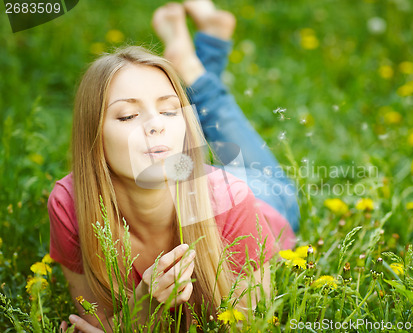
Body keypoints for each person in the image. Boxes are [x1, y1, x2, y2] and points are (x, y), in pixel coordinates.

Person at [51, 1, 299, 331]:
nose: (156, 125)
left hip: (262, 194)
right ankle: (193, 60)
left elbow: (248, 324)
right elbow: (94, 321)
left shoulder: (234, 198)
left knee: (217, 113)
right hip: (210, 183)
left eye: (170, 111)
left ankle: (192, 66)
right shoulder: (70, 204)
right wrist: (145, 302)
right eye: (128, 116)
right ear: (93, 134)